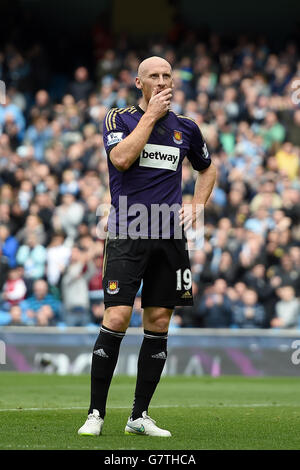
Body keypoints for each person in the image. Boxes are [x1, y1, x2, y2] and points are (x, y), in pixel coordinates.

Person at [78, 56, 216, 437]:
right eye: (153, 76)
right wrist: (150, 117)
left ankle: (139, 416)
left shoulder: (187, 127)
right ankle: (95, 414)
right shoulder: (118, 119)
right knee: (117, 317)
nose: (161, 81)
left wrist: (198, 205)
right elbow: (120, 159)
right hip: (128, 230)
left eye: (166, 75)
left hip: (170, 235)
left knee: (158, 322)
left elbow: (207, 167)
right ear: (138, 82)